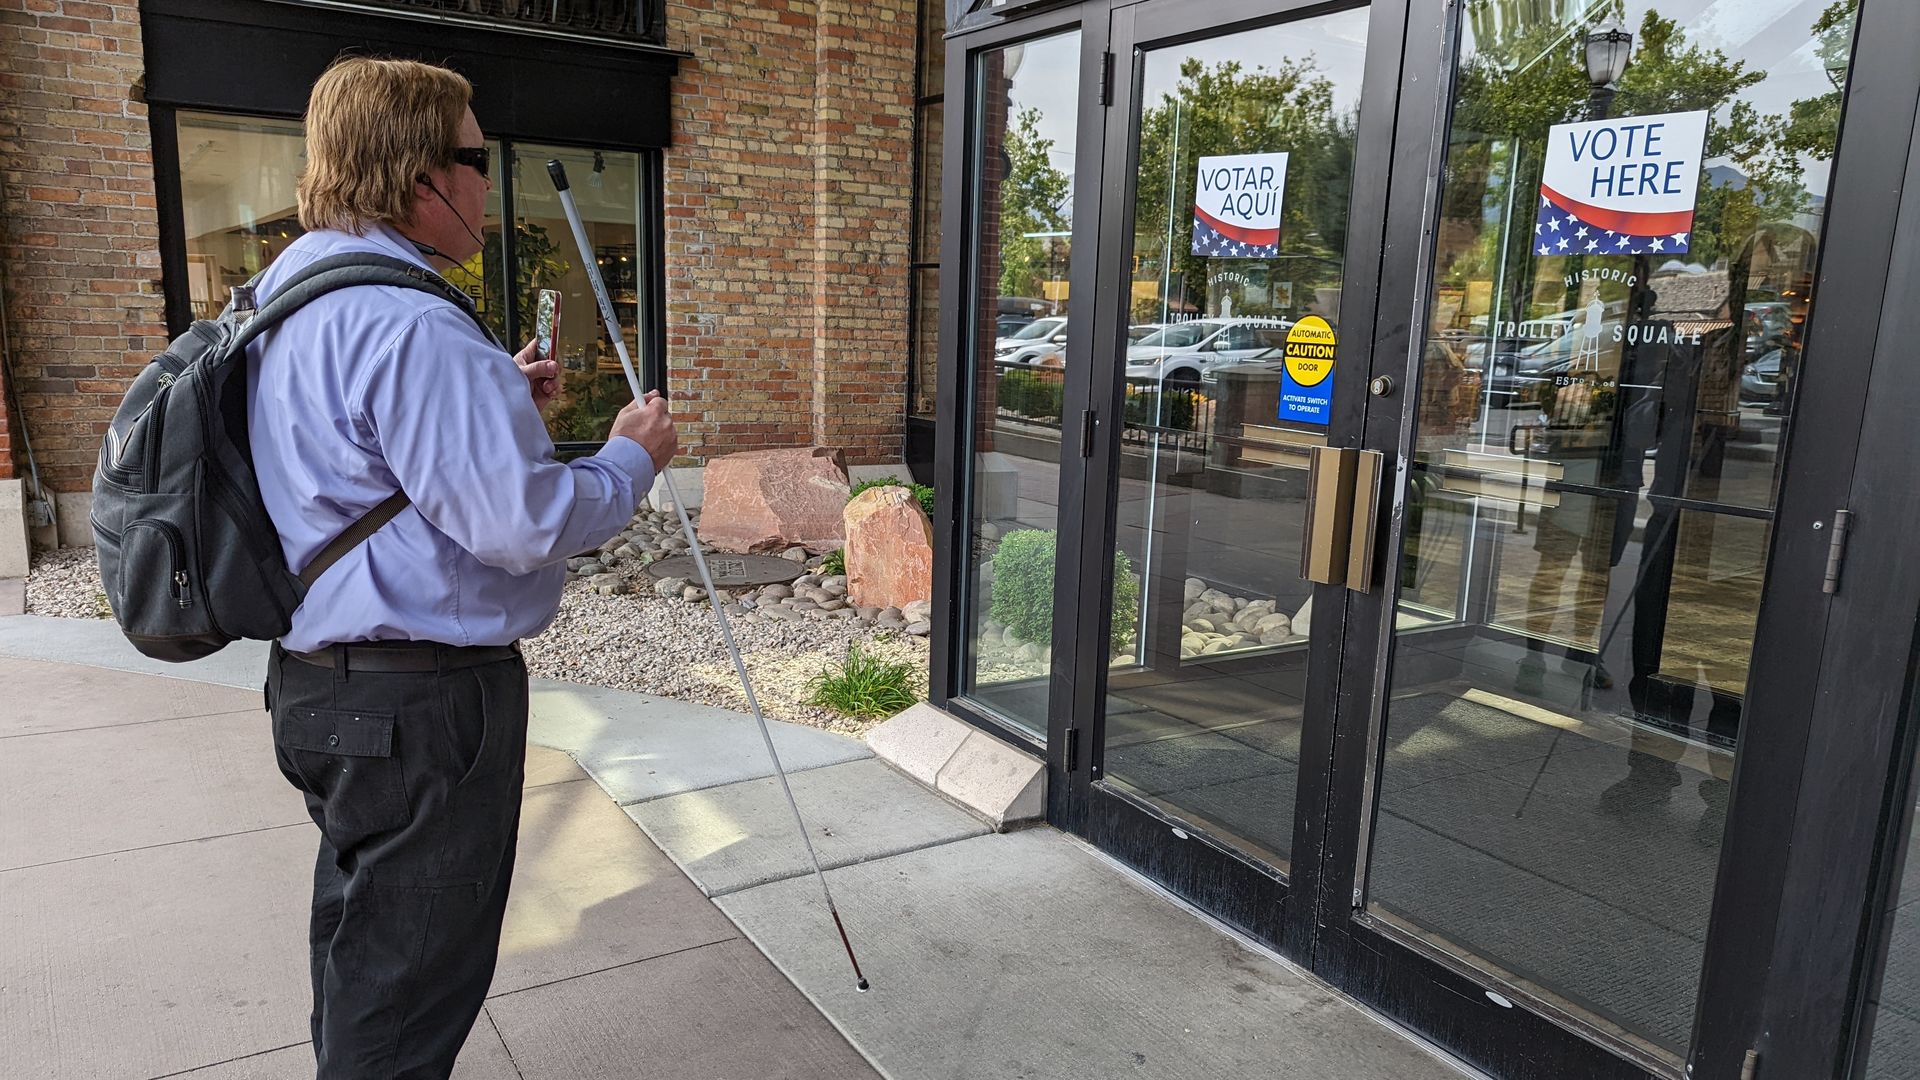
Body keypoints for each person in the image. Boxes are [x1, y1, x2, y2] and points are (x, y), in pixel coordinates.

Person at [249, 57, 677, 1079]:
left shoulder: (287, 291)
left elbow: (354, 463)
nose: (489, 181)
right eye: (478, 160)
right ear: (420, 176)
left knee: (364, 944)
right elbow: (522, 524)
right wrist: (631, 458)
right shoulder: (412, 322)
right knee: (409, 986)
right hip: (422, 710)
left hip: (317, 686)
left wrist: (493, 400)